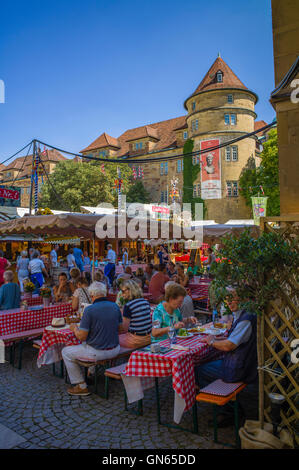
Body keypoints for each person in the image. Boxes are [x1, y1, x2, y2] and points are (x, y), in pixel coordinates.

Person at [62, 281, 123, 396]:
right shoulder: (115, 306)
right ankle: (91, 372)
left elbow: (81, 336)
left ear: (92, 295)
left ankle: (81, 385)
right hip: (115, 349)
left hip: (97, 352)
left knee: (65, 352)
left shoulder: (89, 310)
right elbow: (120, 329)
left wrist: (74, 328)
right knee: (88, 344)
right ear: (104, 293)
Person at [195, 287, 257, 387]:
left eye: (232, 299)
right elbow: (236, 340)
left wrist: (211, 342)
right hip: (241, 363)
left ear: (243, 299)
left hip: (240, 370)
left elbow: (229, 345)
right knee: (208, 361)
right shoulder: (243, 314)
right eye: (227, 300)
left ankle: (219, 399)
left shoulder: (246, 319)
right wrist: (217, 339)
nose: (228, 303)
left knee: (197, 370)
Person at [118, 280, 152, 348]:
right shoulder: (145, 302)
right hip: (149, 338)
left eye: (123, 291)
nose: (121, 294)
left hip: (136, 340)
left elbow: (124, 329)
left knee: (113, 340)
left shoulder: (128, 306)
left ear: (130, 290)